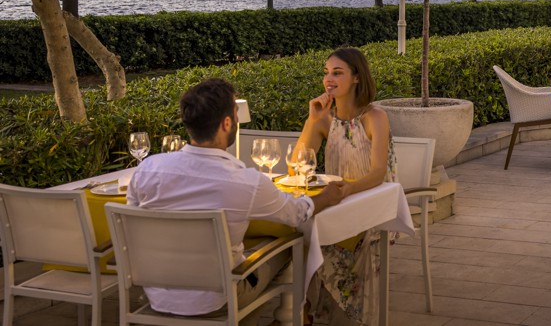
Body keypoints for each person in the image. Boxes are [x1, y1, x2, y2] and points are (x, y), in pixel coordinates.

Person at [126, 78, 344, 321]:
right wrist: (324, 198)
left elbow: (132, 218)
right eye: (235, 114)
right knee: (288, 246)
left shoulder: (148, 168)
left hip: (157, 294)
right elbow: (296, 213)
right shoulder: (245, 182)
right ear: (227, 123)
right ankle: (285, 319)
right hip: (217, 299)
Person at [292, 47, 397, 325]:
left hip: (370, 203)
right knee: (300, 238)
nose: (329, 78)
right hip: (335, 200)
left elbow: (377, 173)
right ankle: (305, 313)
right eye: (326, 73)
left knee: (317, 240)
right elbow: (296, 165)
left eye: (337, 73)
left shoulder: (374, 117)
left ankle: (342, 316)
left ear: (357, 78)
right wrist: (312, 121)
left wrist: (348, 190)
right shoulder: (324, 118)